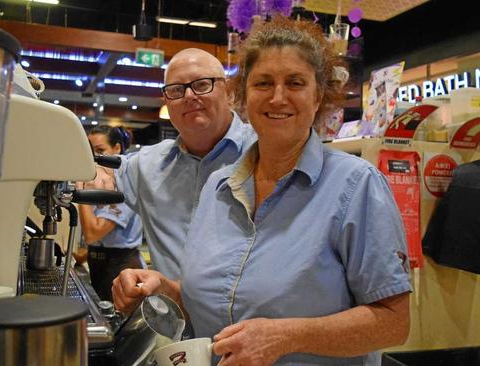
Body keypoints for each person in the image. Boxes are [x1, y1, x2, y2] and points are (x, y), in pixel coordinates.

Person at [113, 17, 411, 366]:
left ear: (318, 97)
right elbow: (216, 304)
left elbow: (393, 322)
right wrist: (165, 289)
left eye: (295, 83)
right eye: (263, 83)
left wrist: (286, 337)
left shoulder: (355, 186)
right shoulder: (218, 186)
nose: (278, 97)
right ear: (242, 96)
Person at [108, 48, 257, 279]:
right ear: (167, 101)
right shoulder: (146, 167)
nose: (189, 96)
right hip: (170, 313)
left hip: (250, 314)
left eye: (201, 84)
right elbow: (99, 173)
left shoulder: (265, 153)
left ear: (229, 91)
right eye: (176, 90)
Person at [76, 125, 144, 302]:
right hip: (98, 262)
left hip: (122, 265)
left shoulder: (122, 186)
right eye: (91, 151)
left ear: (117, 149)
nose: (95, 157)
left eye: (100, 150)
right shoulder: (99, 182)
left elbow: (93, 233)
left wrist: (81, 187)